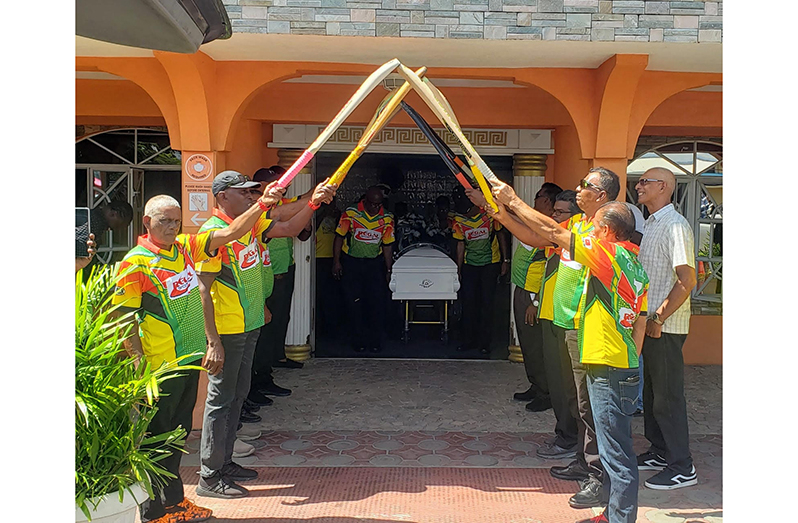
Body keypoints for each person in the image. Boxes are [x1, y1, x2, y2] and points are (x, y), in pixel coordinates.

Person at [112, 186, 285, 523]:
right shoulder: (136, 263)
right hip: (160, 367)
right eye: (164, 221)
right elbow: (122, 318)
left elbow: (233, 231)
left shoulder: (186, 248)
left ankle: (175, 503)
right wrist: (136, 364)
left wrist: (263, 204)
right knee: (155, 440)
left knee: (177, 435)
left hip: (189, 360)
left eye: (176, 221)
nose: (172, 226)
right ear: (147, 221)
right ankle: (152, 511)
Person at [491, 181, 649, 523]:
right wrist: (631, 360)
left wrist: (512, 200)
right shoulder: (633, 263)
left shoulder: (605, 256)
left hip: (607, 366)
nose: (584, 229)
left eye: (592, 227)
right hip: (620, 363)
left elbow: (550, 230)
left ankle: (619, 518)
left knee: (616, 450)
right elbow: (641, 321)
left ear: (606, 231)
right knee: (614, 443)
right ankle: (613, 512)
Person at [195, 171, 336, 500]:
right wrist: (213, 340)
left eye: (251, 191)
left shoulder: (251, 227)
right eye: (242, 191)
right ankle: (209, 475)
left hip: (250, 324)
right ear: (222, 196)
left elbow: (288, 228)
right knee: (220, 401)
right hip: (228, 331)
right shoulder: (213, 232)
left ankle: (225, 462)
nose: (249, 195)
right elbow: (203, 289)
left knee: (237, 396)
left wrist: (313, 203)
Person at [634, 167, 699, 490]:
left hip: (666, 325)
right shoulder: (653, 223)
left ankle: (681, 466)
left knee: (668, 397)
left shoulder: (675, 225)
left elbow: (687, 279)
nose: (638, 186)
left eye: (645, 181)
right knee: (652, 393)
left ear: (663, 187)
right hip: (651, 324)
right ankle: (660, 451)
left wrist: (658, 317)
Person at [252, 165, 313, 371]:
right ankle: (263, 369)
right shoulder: (257, 208)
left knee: (281, 318)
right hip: (267, 274)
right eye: (278, 183)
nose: (283, 187)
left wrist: (331, 181)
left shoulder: (281, 203)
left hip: (285, 268)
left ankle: (276, 358)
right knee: (266, 325)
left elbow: (304, 200)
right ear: (261, 186)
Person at [508, 182, 562, 411]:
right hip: (523, 289)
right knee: (528, 344)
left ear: (548, 201)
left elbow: (547, 269)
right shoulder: (534, 222)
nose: (535, 200)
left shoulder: (548, 230)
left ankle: (546, 392)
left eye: (539, 196)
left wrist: (536, 301)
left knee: (536, 346)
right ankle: (536, 385)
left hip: (533, 295)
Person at [333, 185, 395, 354]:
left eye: (379, 204)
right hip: (352, 263)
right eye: (373, 204)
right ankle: (357, 341)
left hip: (374, 264)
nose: (376, 207)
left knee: (376, 303)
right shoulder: (351, 213)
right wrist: (336, 262)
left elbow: (388, 245)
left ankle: (375, 341)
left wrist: (389, 270)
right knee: (353, 303)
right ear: (365, 201)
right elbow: (339, 237)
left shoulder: (387, 217)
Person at [452, 188, 509, 357]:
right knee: (469, 303)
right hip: (470, 265)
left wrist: (505, 261)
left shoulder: (489, 215)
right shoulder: (459, 220)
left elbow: (501, 236)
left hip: (490, 264)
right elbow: (460, 245)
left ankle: (485, 343)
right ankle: (468, 340)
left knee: (487, 304)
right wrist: (459, 268)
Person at [75, 200, 134, 265]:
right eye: (122, 225)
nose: (120, 229)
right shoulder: (96, 224)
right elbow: (80, 247)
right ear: (113, 214)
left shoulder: (88, 213)